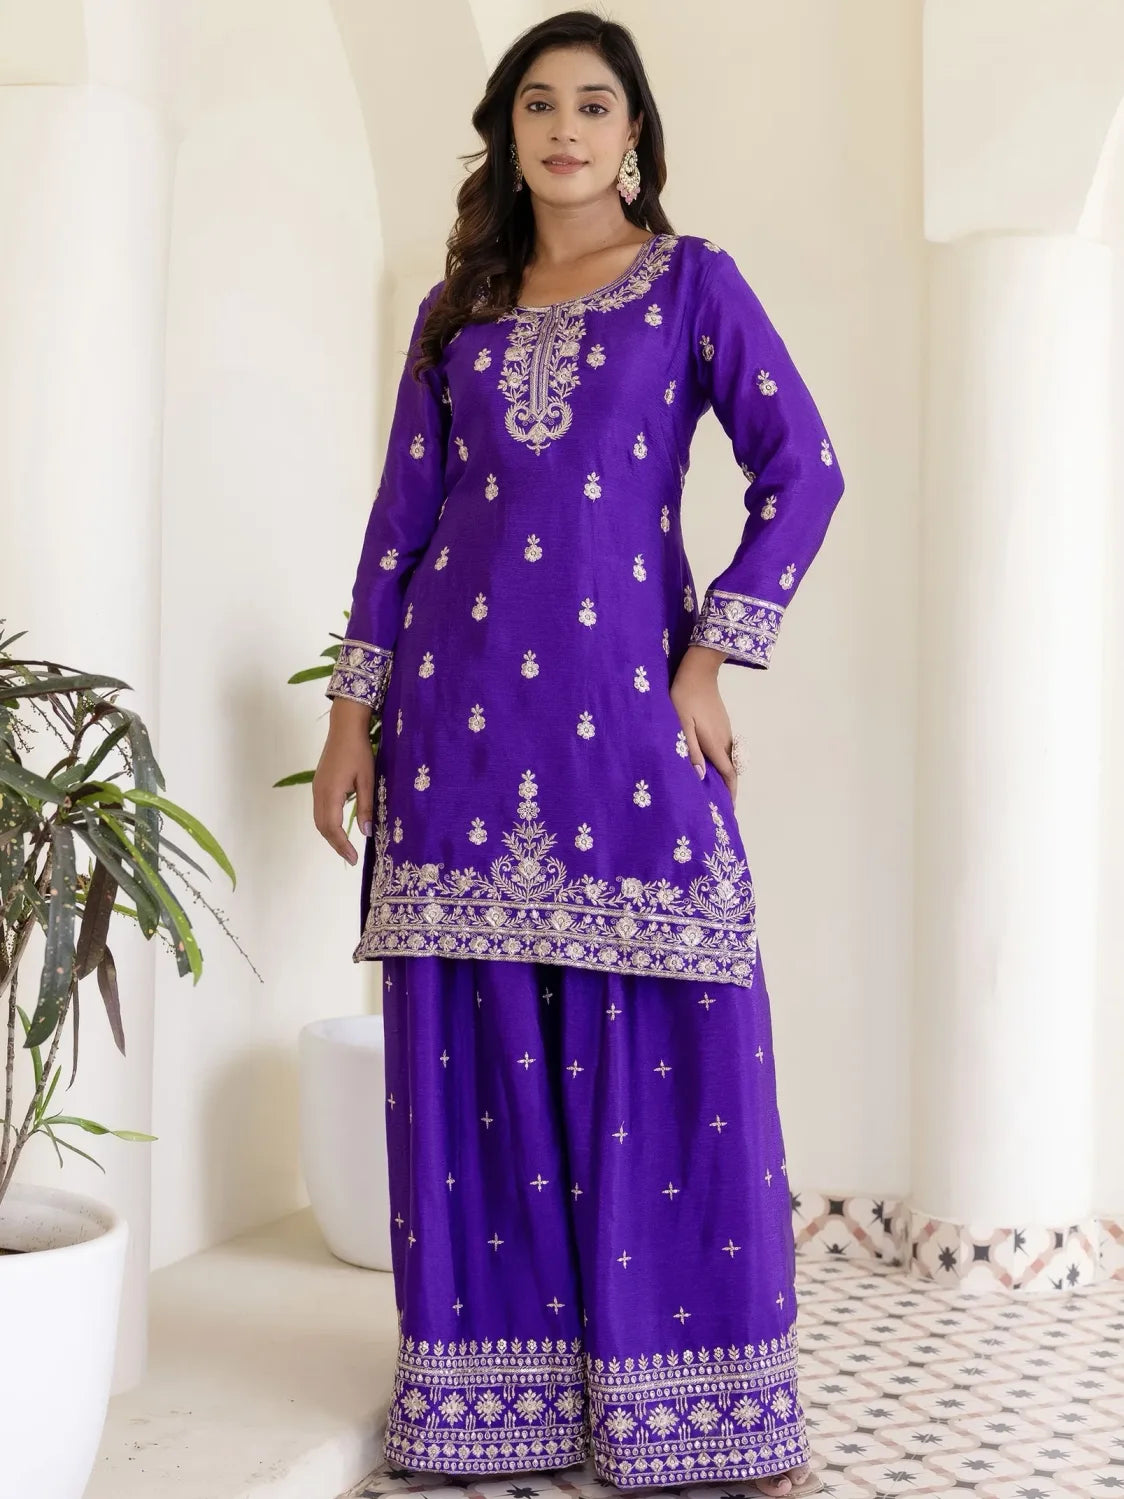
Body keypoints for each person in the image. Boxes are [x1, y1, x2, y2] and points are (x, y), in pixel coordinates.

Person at [313, 11, 843, 1496]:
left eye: (592, 104)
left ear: (635, 136)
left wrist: (709, 657)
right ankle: (496, 1412)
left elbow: (807, 468)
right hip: (458, 733)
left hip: (624, 725)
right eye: (536, 103)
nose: (563, 127)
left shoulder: (691, 288)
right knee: (472, 1044)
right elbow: (397, 530)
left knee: (679, 1032)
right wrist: (351, 716)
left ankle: (711, 1417)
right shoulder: (455, 311)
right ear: (508, 130)